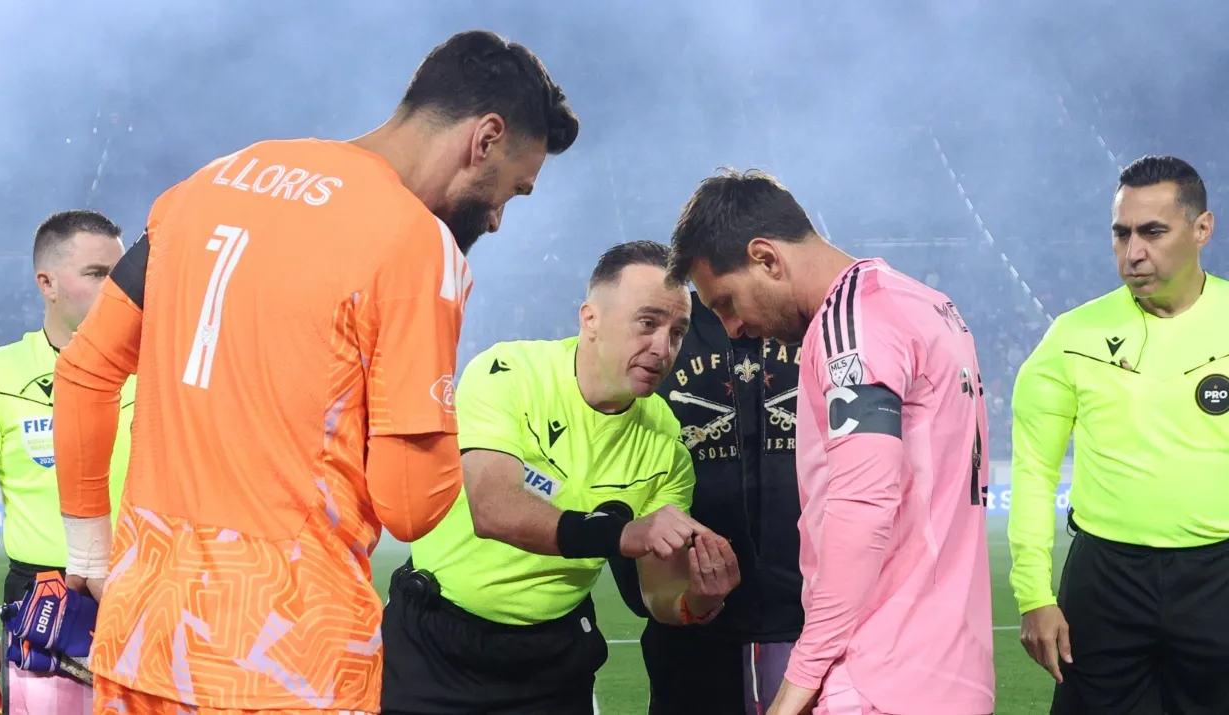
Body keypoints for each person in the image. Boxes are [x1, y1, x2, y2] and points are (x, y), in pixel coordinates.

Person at [51, 29, 579, 714]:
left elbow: (84, 371)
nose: (501, 218)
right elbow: (412, 505)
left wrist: (89, 550)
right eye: (513, 188)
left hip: (142, 636)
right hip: (288, 655)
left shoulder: (208, 185)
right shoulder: (413, 244)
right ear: (484, 138)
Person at [667, 168, 995, 715]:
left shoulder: (851, 322)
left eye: (725, 302)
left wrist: (798, 682)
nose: (732, 328)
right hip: (949, 670)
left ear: (767, 257)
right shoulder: (927, 305)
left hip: (879, 676)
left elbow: (863, 504)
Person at [380, 240, 741, 715]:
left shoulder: (666, 443)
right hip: (435, 645)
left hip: (554, 659)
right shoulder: (507, 372)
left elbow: (659, 595)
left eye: (677, 332)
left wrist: (699, 597)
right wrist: (625, 533)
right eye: (647, 323)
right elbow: (493, 508)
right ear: (590, 318)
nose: (662, 347)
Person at [1009, 155, 1229, 714]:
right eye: (1122, 233)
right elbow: (1034, 470)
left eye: (1153, 232)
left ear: (1201, 228)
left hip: (1218, 577)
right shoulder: (1072, 337)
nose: (1133, 253)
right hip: (1105, 581)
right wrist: (1035, 595)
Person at [0, 210, 133, 714]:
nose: (117, 289)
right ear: (46, 283)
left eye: (123, 274)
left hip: (152, 597)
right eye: (97, 274)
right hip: (48, 606)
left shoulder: (160, 369)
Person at [608, 294, 804, 714]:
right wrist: (656, 592)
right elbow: (618, 460)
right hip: (689, 629)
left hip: (811, 627)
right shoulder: (668, 330)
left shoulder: (819, 325)